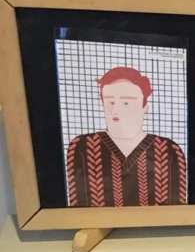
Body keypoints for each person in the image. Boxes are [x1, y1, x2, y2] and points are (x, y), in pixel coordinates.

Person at [66, 66, 186, 207]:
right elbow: (79, 206)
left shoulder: (168, 149)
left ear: (145, 106)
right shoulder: (82, 146)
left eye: (126, 102)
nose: (115, 110)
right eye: (110, 102)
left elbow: (175, 209)